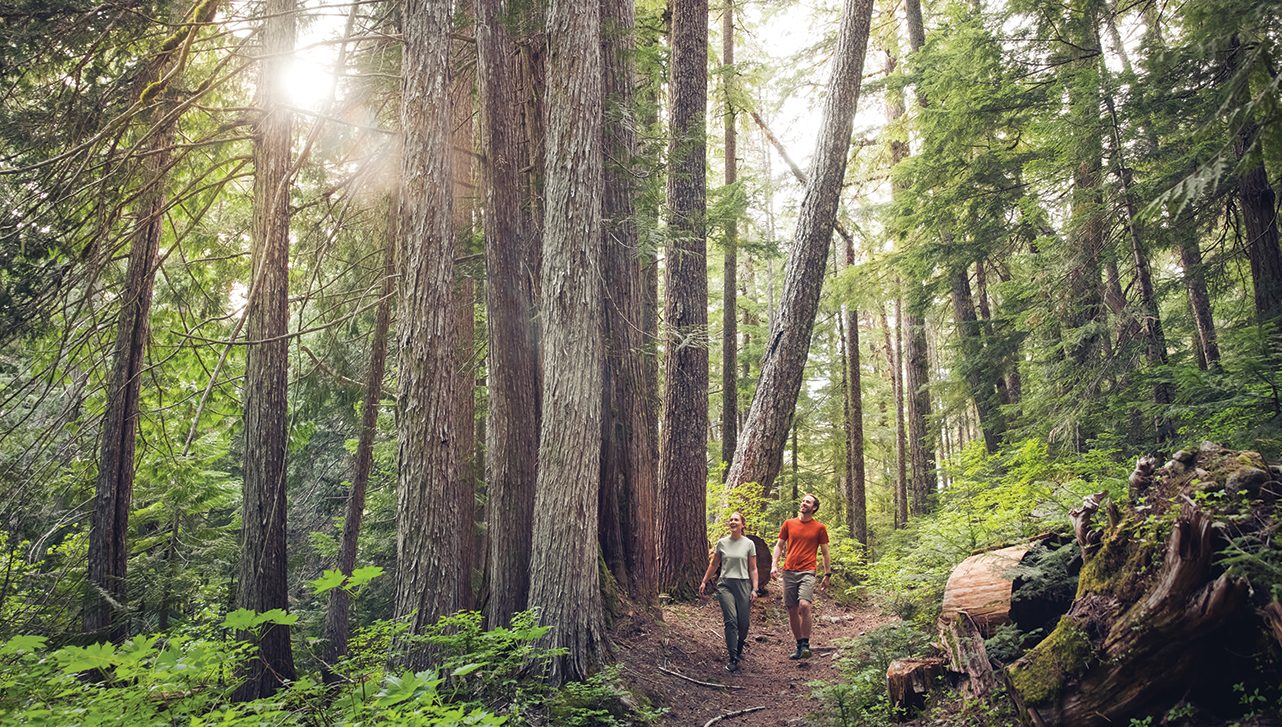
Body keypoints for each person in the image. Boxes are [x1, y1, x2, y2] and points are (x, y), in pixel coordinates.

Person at [770, 493, 830, 660]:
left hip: (808, 571)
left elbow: (825, 553)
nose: (803, 503)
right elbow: (779, 545)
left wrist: (827, 574)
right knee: (792, 609)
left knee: (804, 605)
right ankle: (799, 645)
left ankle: (805, 644)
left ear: (814, 507)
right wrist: (774, 565)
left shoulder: (819, 528)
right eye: (803, 501)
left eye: (808, 502)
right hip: (789, 571)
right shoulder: (789, 524)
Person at [698, 512, 758, 673]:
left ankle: (738, 647)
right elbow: (714, 564)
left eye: (736, 520)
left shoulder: (749, 544)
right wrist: (704, 581)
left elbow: (753, 568)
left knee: (744, 624)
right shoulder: (722, 543)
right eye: (731, 519)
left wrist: (755, 588)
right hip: (725, 584)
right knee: (730, 620)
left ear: (742, 525)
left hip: (743, 585)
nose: (732, 522)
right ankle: (732, 658)